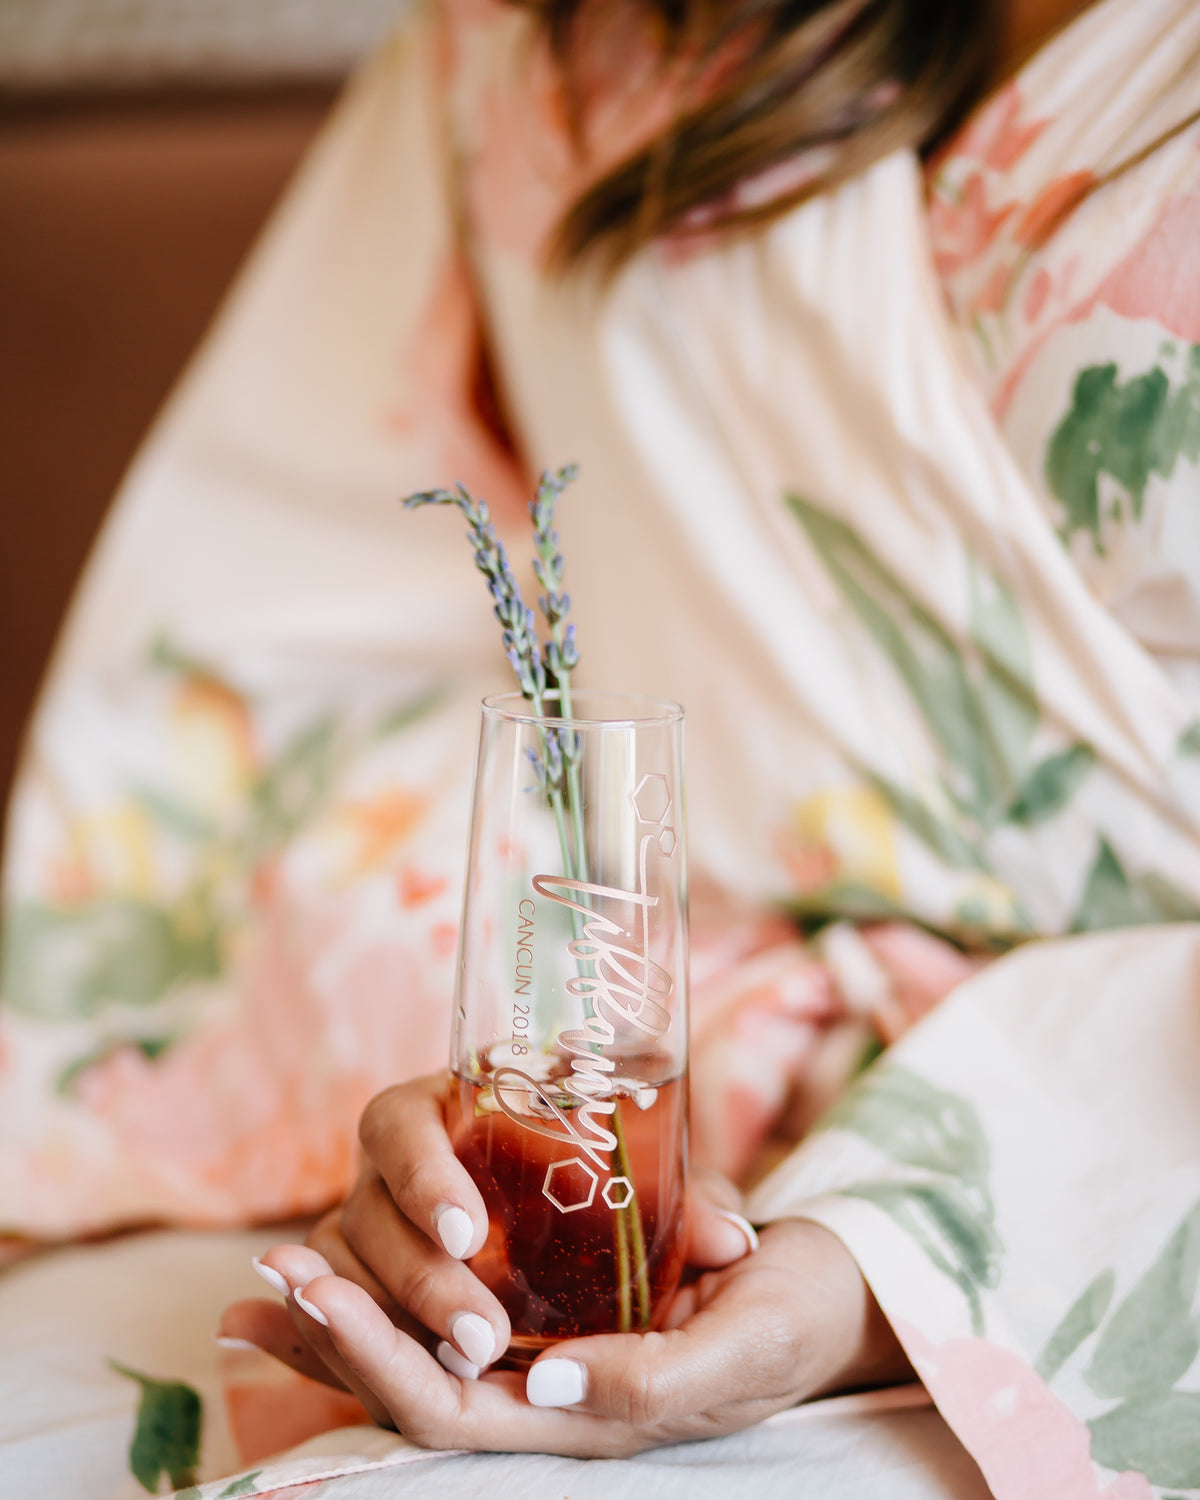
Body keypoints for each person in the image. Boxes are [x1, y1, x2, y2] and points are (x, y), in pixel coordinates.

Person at [3, 0, 1199, 1494]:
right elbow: (329, 653)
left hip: (1125, 1186)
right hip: (651, 1123)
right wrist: (474, 1132)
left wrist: (883, 1258)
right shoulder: (542, 34)